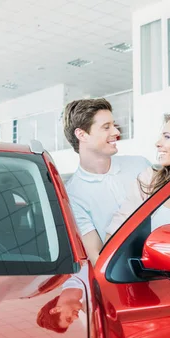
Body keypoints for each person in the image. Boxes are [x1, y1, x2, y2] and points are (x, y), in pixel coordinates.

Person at [63, 98, 150, 265]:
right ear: (82, 134)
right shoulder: (72, 195)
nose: (116, 132)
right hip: (125, 277)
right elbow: (97, 257)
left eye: (114, 125)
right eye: (106, 127)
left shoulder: (140, 165)